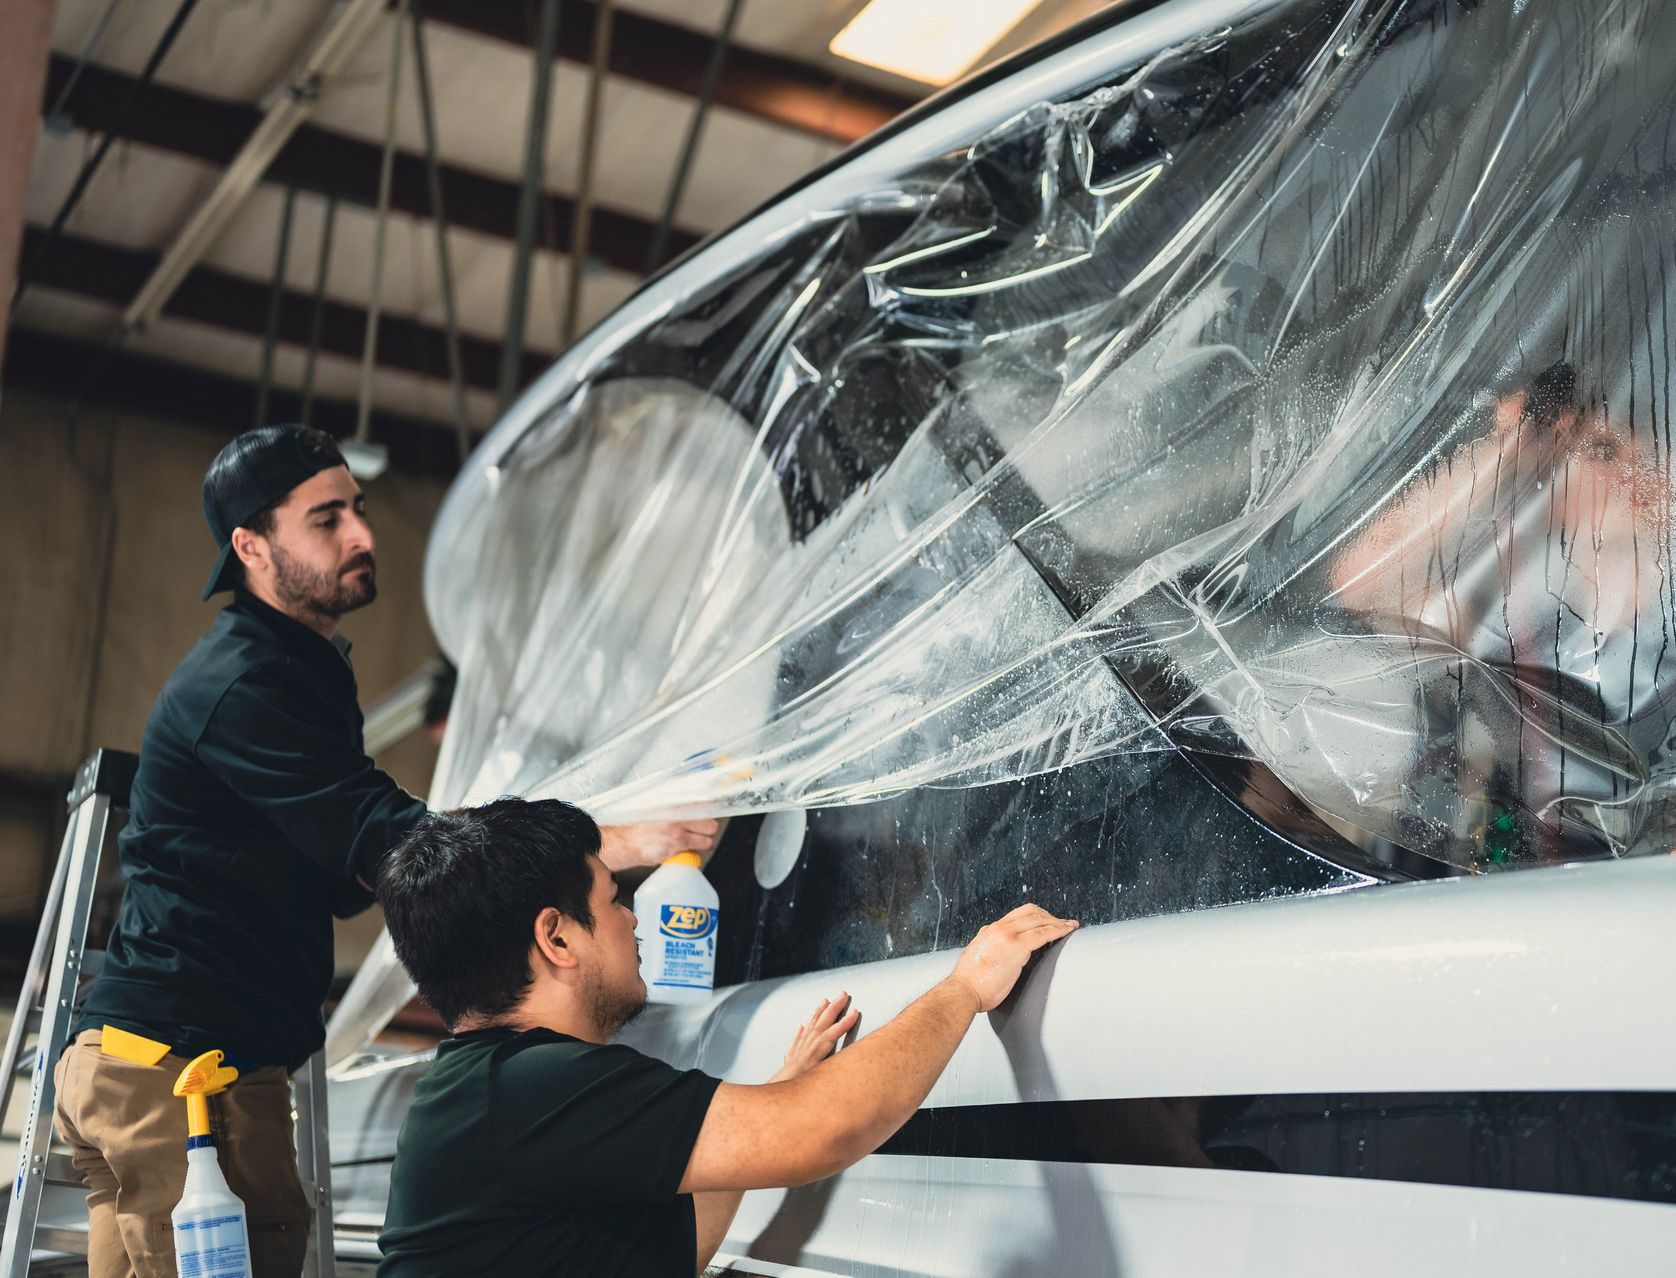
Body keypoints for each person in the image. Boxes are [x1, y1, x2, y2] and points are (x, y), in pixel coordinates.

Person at [54, 425, 716, 1278]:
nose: (363, 534)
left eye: (358, 510)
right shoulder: (247, 683)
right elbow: (384, 837)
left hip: (156, 1059)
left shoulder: (302, 669)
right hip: (183, 1069)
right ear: (251, 546)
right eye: (326, 519)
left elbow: (347, 869)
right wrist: (613, 840)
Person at [372, 797, 1078, 1277]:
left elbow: (677, 1244)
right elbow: (826, 1131)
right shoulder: (530, 1086)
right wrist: (964, 987)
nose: (633, 922)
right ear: (557, 937)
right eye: (613, 901)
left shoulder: (486, 1092)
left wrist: (774, 1097)